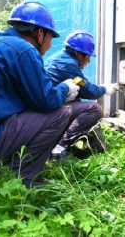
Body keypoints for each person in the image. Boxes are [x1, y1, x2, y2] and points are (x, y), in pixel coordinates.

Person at [0, 1, 95, 187]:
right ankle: (24, 178)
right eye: (50, 38)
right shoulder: (24, 50)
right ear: (39, 33)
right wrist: (65, 88)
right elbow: (47, 101)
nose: (48, 46)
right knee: (62, 112)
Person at [44, 30, 117, 158]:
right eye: (88, 56)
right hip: (48, 110)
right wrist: (105, 89)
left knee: (77, 101)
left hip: (47, 105)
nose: (88, 61)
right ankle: (60, 145)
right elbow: (88, 90)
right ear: (80, 54)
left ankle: (61, 139)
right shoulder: (69, 65)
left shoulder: (59, 58)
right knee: (94, 109)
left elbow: (80, 87)